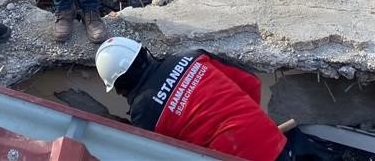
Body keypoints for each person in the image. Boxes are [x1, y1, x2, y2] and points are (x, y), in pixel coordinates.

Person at [95, 38, 291, 160]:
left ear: (120, 86)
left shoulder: (144, 114)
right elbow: (251, 83)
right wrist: (247, 124)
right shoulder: (191, 57)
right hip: (272, 139)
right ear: (144, 53)